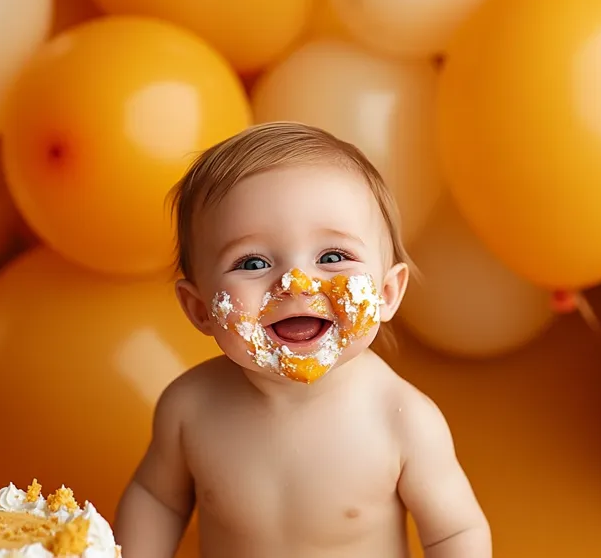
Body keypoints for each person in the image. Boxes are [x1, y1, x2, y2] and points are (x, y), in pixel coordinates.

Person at [114, 121, 491, 558]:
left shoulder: (400, 420)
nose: (296, 283)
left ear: (387, 294)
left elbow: (455, 533)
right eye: (252, 262)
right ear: (200, 309)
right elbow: (156, 499)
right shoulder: (191, 408)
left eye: (332, 257)